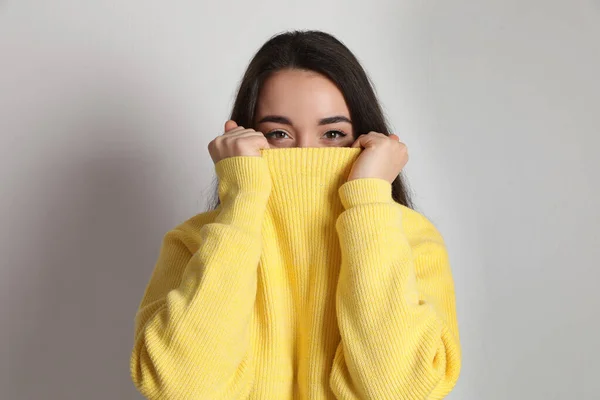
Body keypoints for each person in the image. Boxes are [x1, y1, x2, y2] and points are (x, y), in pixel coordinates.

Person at [130, 30, 461, 399]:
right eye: (279, 134)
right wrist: (243, 200)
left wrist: (369, 199)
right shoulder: (195, 241)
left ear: (367, 139)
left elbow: (400, 390)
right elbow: (182, 387)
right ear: (243, 136)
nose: (305, 152)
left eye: (333, 134)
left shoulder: (411, 238)